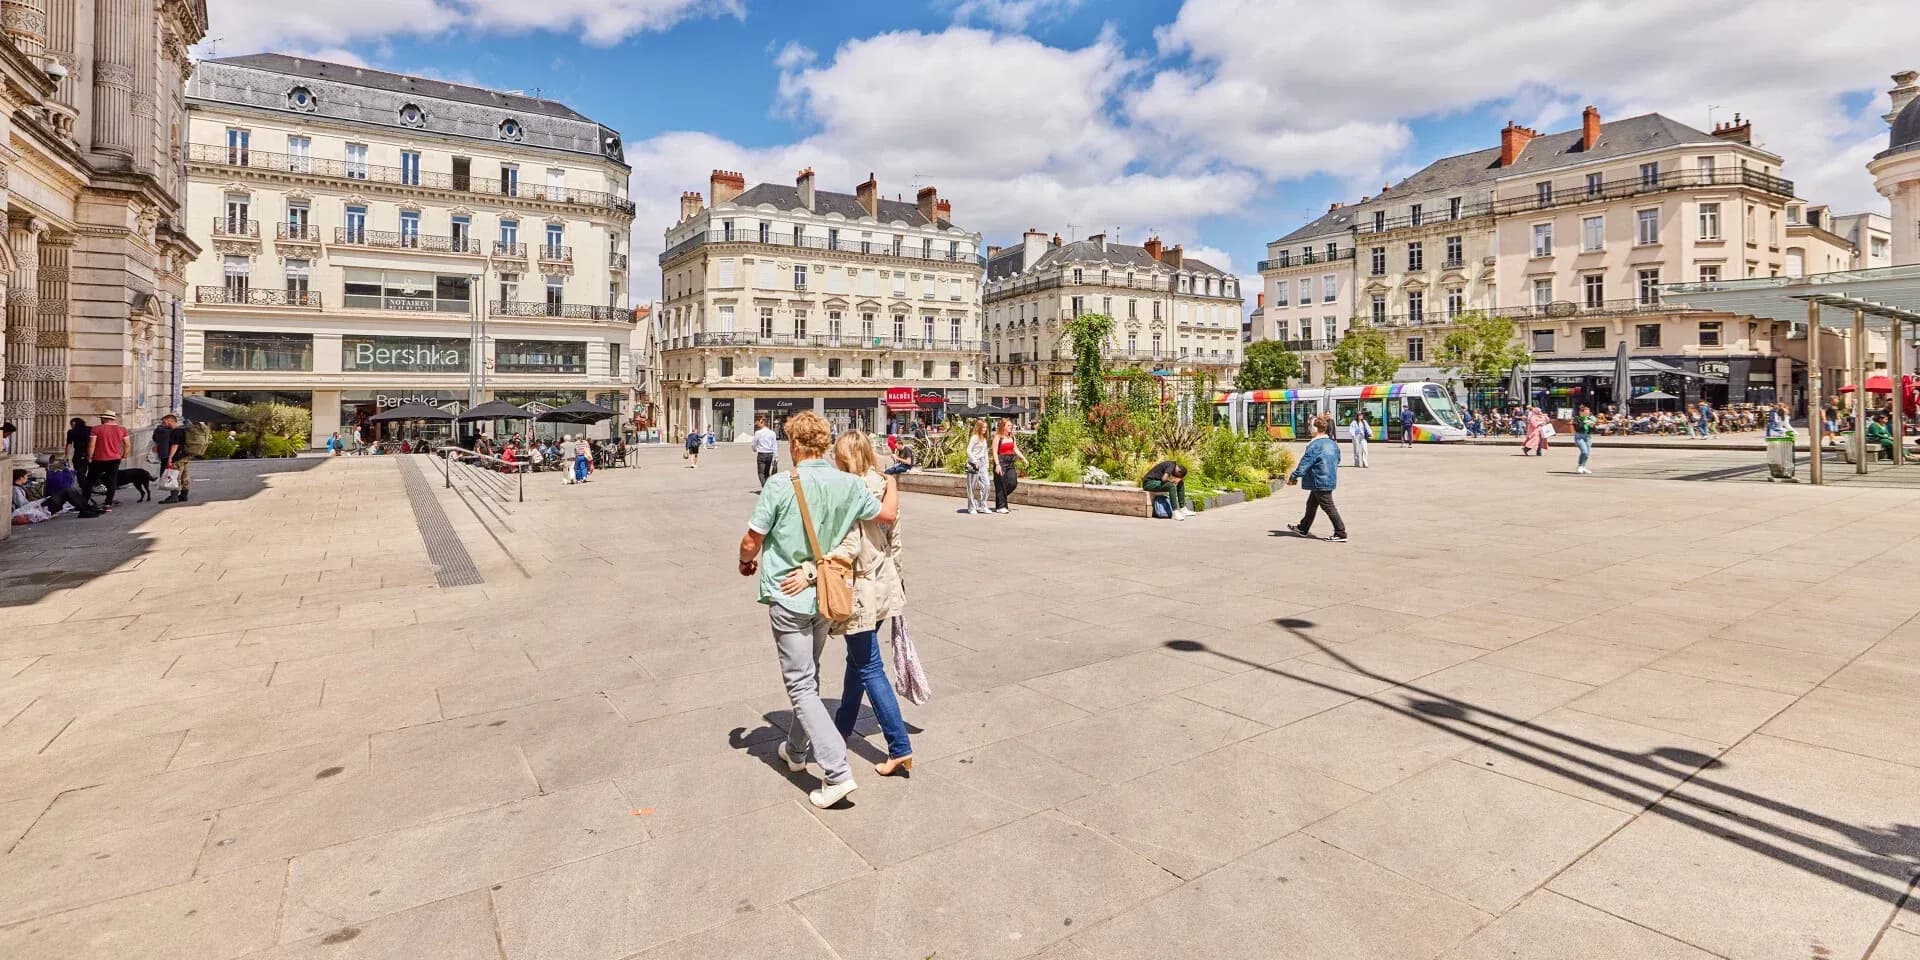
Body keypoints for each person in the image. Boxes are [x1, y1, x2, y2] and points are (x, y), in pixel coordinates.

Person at [738, 410, 899, 809]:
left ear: (793, 445)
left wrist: (745, 560)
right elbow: (886, 514)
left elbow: (751, 539)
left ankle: (836, 771)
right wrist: (893, 480)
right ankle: (795, 750)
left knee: (800, 683)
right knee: (809, 677)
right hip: (828, 596)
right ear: (825, 444)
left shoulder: (780, 484)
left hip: (789, 595)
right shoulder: (848, 483)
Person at [776, 431, 914, 778]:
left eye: (837, 457)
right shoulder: (883, 486)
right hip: (884, 585)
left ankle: (899, 747)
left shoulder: (852, 490)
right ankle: (842, 728)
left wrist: (810, 572)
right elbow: (895, 540)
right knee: (857, 662)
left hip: (861, 589)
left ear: (844, 459)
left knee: (868, 666)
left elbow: (847, 545)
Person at [1285, 414, 1346, 542]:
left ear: (1315, 429)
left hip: (1319, 480)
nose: (1309, 428)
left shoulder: (1315, 445)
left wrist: (1294, 476)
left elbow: (1305, 462)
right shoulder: (1332, 444)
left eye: (1310, 426)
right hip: (1326, 479)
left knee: (1328, 506)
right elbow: (1338, 459)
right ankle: (1303, 528)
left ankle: (1340, 533)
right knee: (1311, 504)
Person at [13, 467, 97, 521]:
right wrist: (38, 501)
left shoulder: (20, 487)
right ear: (21, 478)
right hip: (35, 508)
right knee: (67, 491)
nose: (27, 478)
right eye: (26, 476)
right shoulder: (15, 489)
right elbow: (22, 504)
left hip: (39, 505)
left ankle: (86, 508)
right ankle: (85, 509)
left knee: (69, 490)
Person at [84, 411, 129, 511]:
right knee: (112, 481)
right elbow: (127, 444)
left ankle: (84, 502)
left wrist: (90, 457)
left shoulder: (96, 429)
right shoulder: (122, 429)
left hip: (98, 458)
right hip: (115, 459)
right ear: (113, 418)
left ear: (104, 419)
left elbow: (92, 445)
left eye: (101, 418)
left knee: (90, 480)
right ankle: (108, 504)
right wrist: (124, 455)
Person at [990, 418, 1027, 514]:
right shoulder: (998, 437)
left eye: (1011, 425)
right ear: (1003, 427)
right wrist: (997, 465)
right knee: (1001, 483)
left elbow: (1015, 449)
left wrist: (1023, 458)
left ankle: (1001, 499)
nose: (1011, 427)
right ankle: (1001, 506)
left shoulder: (1012, 437)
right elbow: (994, 452)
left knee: (1012, 482)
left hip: (1010, 462)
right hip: (1001, 461)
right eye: (1009, 426)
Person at [157, 414, 192, 504]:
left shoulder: (176, 431)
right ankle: (184, 495)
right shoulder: (183, 430)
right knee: (185, 476)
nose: (162, 423)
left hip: (177, 457)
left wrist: (170, 458)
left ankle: (174, 496)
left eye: (164, 421)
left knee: (174, 476)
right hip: (185, 456)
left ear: (170, 420)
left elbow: (175, 445)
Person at [964, 419, 991, 515]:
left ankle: (982, 505)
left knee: (987, 485)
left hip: (982, 464)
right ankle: (971, 507)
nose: (985, 429)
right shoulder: (974, 437)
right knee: (972, 487)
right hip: (973, 464)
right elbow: (968, 450)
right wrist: (974, 461)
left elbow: (985, 452)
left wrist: (987, 464)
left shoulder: (984, 439)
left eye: (986, 427)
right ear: (979, 427)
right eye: (983, 427)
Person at [752, 417, 778, 489]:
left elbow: (754, 443)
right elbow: (774, 445)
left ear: (763, 423)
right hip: (770, 454)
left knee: (761, 473)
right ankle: (767, 487)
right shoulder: (772, 433)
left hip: (762, 454)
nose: (759, 424)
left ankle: (765, 488)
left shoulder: (758, 433)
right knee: (766, 473)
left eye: (760, 422)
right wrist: (776, 457)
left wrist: (754, 449)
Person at [64, 417, 90, 484]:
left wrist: (66, 456)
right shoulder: (90, 429)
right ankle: (87, 483)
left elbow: (69, 444)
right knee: (85, 469)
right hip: (90, 452)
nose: (71, 426)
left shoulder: (71, 432)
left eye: (72, 424)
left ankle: (83, 485)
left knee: (79, 469)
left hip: (79, 452)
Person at [1571, 404, 1596, 475]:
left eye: (1588, 413)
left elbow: (1594, 430)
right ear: (1581, 412)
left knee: (1587, 454)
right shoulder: (1577, 418)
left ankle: (1583, 466)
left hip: (1588, 437)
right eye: (1586, 413)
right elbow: (1577, 428)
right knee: (1584, 451)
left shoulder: (1589, 419)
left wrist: (1592, 426)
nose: (1587, 414)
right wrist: (1584, 422)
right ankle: (1580, 466)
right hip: (1579, 436)